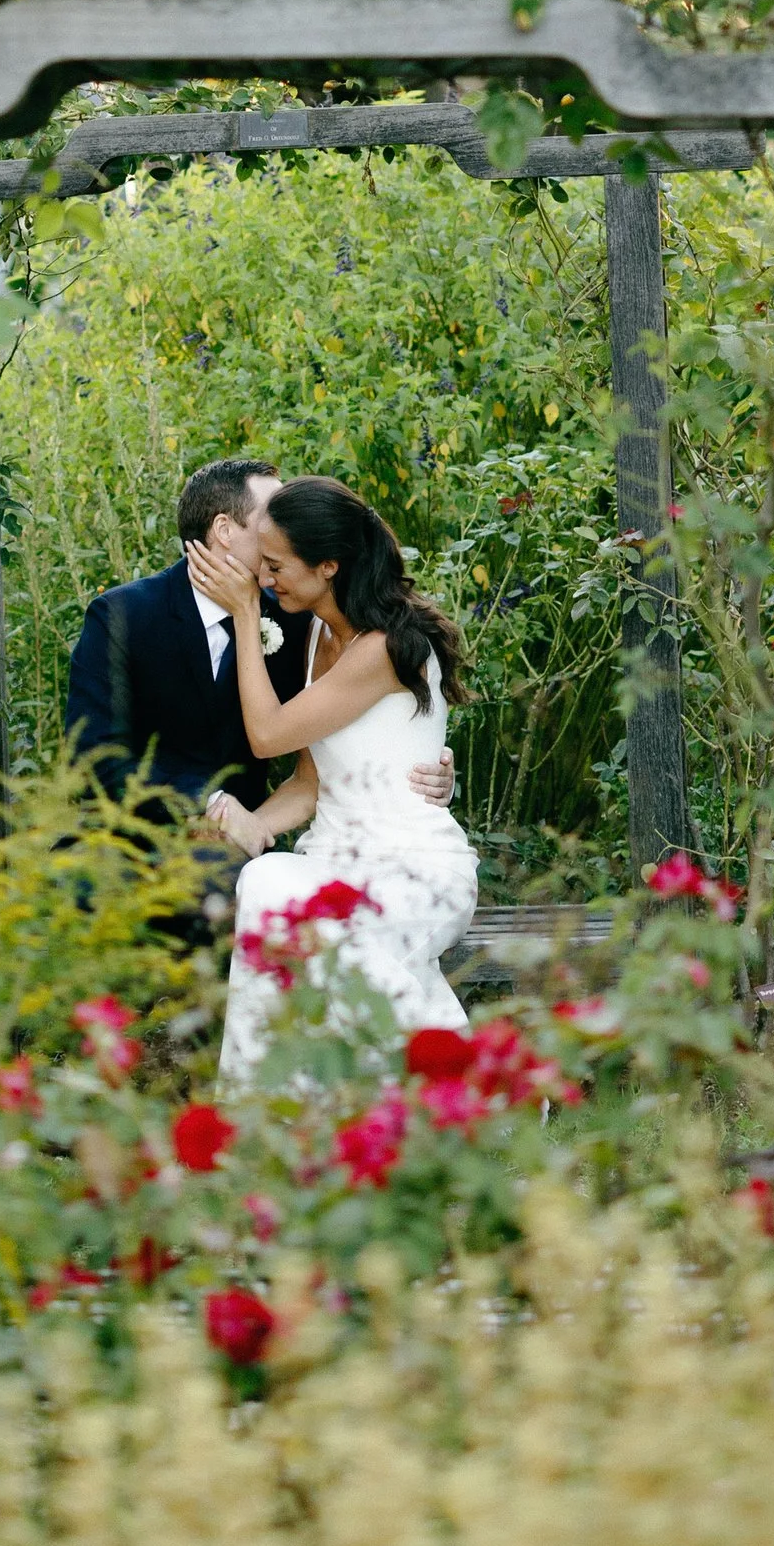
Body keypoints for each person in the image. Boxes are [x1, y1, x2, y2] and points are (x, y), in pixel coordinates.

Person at [190, 472, 479, 1082]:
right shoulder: (320, 629)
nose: (263, 581)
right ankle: (315, 1121)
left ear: (327, 566)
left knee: (273, 890)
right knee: (269, 884)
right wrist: (248, 823)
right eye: (260, 566)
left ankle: (462, 1082)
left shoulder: (383, 648)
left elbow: (268, 735)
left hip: (412, 869)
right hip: (337, 858)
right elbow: (310, 781)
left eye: (275, 566)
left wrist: (245, 616)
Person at [63, 458, 458, 833]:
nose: (283, 526)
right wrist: (208, 807)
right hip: (128, 837)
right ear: (224, 530)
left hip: (236, 849)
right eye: (271, 516)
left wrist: (419, 759)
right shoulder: (123, 615)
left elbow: (345, 714)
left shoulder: (297, 616)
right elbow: (91, 759)